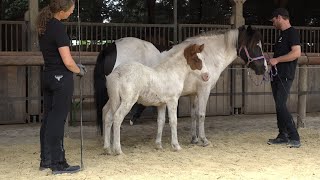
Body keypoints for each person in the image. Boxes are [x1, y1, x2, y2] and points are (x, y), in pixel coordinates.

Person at [36, 0, 87, 174]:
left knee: (49, 118)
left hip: (48, 76)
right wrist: (78, 70)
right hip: (61, 79)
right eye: (71, 10)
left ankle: (46, 161)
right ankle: (58, 164)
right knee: (57, 120)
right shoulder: (57, 27)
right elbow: (67, 61)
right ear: (62, 11)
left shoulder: (45, 25)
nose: (72, 13)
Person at [267, 8, 301, 148]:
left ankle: (294, 136)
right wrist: (272, 60)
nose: (273, 23)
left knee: (281, 105)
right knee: (278, 106)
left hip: (285, 75)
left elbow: (296, 53)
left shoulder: (292, 33)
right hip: (277, 75)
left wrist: (277, 60)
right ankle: (282, 135)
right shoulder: (282, 35)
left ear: (279, 17)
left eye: (274, 20)